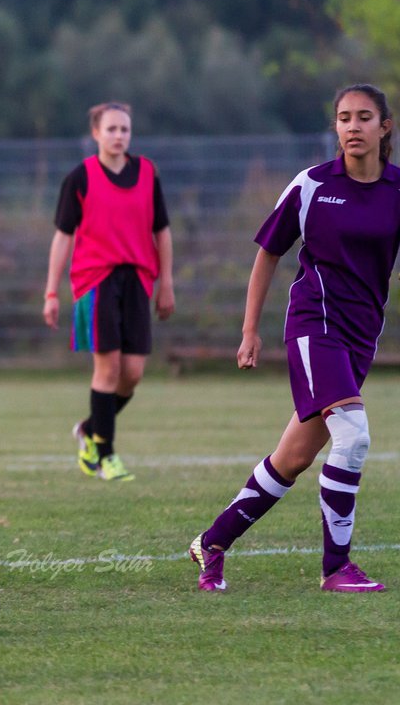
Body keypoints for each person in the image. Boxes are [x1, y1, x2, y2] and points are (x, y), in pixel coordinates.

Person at [189, 84, 398, 593]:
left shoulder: (397, 190)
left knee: (293, 458)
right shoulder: (311, 186)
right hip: (313, 327)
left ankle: (211, 543)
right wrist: (248, 331)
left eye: (364, 117)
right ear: (335, 127)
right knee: (353, 436)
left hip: (359, 338)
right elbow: (268, 253)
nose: (352, 126)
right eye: (344, 117)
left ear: (384, 127)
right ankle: (336, 568)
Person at [43, 102, 175, 482]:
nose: (119, 136)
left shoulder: (147, 174)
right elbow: (63, 237)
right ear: (96, 134)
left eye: (125, 130)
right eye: (112, 129)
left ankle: (89, 430)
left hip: (138, 279)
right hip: (95, 280)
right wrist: (51, 292)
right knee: (108, 367)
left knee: (131, 374)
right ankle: (106, 456)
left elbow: (161, 231)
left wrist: (166, 282)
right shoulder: (80, 178)